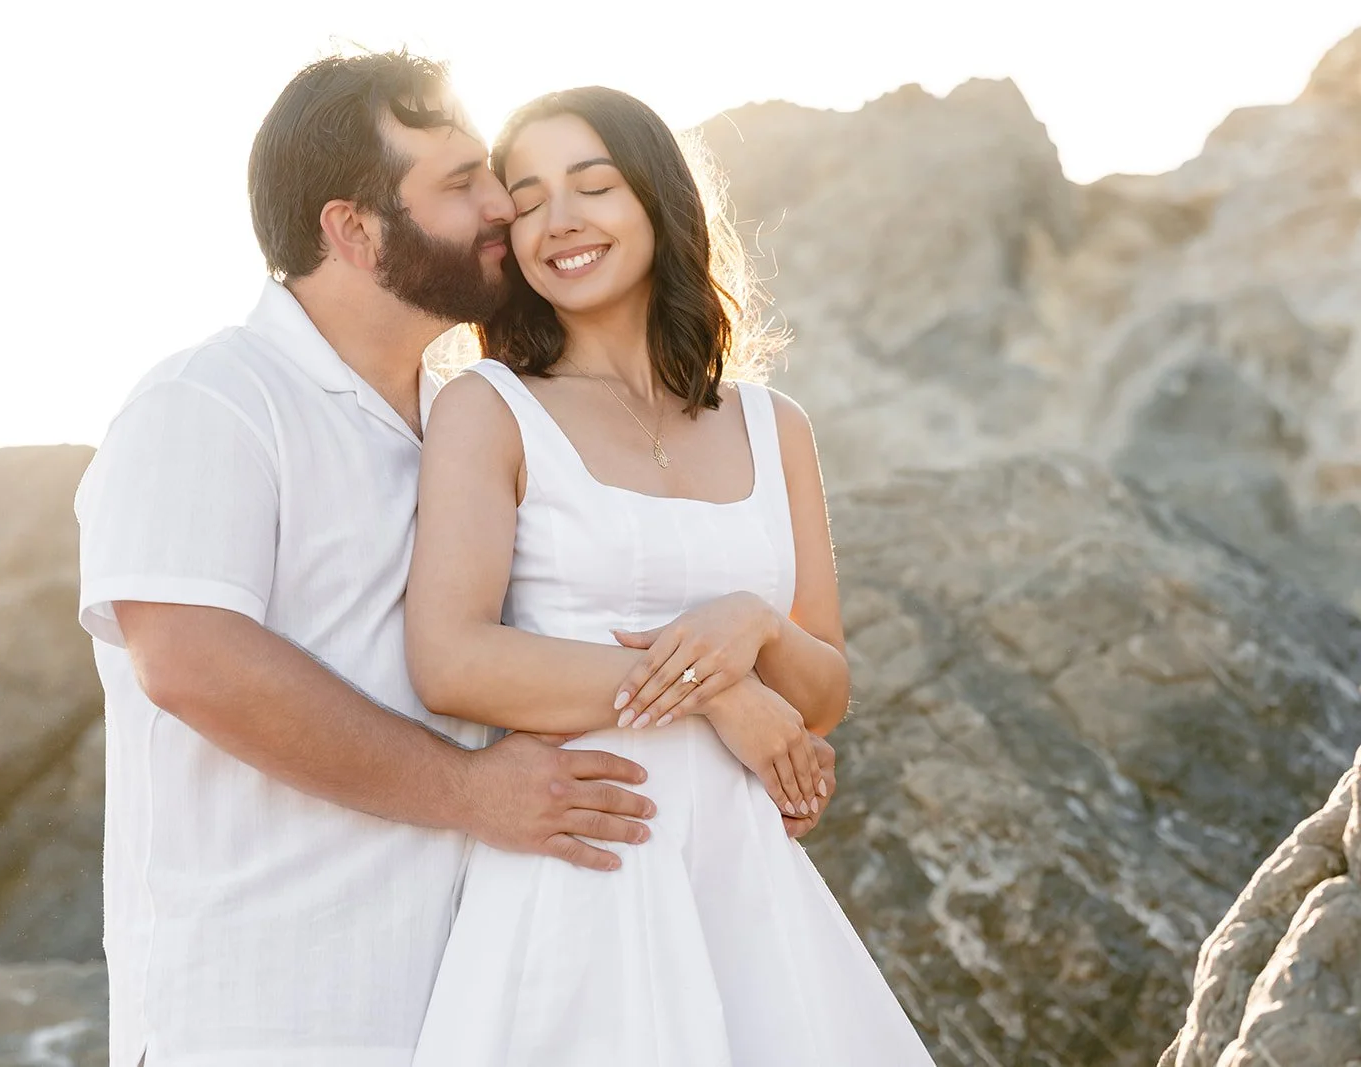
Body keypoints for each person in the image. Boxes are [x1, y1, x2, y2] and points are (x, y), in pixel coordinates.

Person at [73, 53, 833, 1067]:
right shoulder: (213, 399)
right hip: (259, 1003)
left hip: (453, 982)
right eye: (463, 184)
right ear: (353, 228)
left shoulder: (450, 420)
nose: (500, 211)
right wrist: (481, 788)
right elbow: (189, 662)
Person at [405, 87, 935, 1066]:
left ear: (655, 200)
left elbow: (820, 693)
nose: (559, 218)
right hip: (584, 871)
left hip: (749, 891)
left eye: (592, 185)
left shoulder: (776, 426)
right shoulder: (489, 407)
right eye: (525, 200)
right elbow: (451, 658)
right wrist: (719, 692)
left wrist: (754, 629)